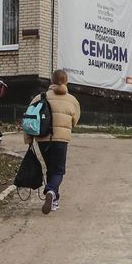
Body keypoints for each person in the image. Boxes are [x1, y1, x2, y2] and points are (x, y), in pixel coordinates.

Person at [39, 69, 82, 215]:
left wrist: (28, 138)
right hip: (60, 139)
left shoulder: (41, 97)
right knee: (58, 170)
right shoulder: (72, 100)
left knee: (50, 168)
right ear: (66, 81)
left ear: (51, 81)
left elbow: (30, 116)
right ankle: (51, 191)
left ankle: (54, 200)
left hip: (42, 138)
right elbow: (75, 120)